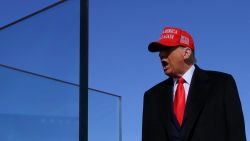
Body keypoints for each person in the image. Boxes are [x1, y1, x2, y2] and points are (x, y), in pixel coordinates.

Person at [142, 27, 246, 141]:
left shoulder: (222, 84)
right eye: (160, 51)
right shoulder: (152, 96)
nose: (161, 54)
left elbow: (236, 134)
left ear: (186, 53)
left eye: (167, 49)